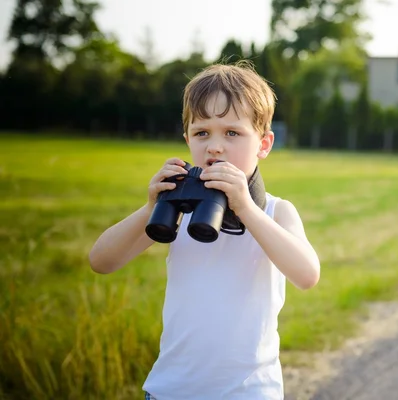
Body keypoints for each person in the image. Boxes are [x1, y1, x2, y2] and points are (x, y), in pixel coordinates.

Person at [88, 62, 321, 400]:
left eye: (232, 133)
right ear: (187, 140)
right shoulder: (177, 210)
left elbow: (307, 275)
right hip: (171, 389)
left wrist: (245, 208)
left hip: (249, 393)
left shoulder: (274, 211)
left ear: (264, 144)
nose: (215, 146)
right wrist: (151, 208)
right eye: (202, 133)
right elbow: (101, 261)